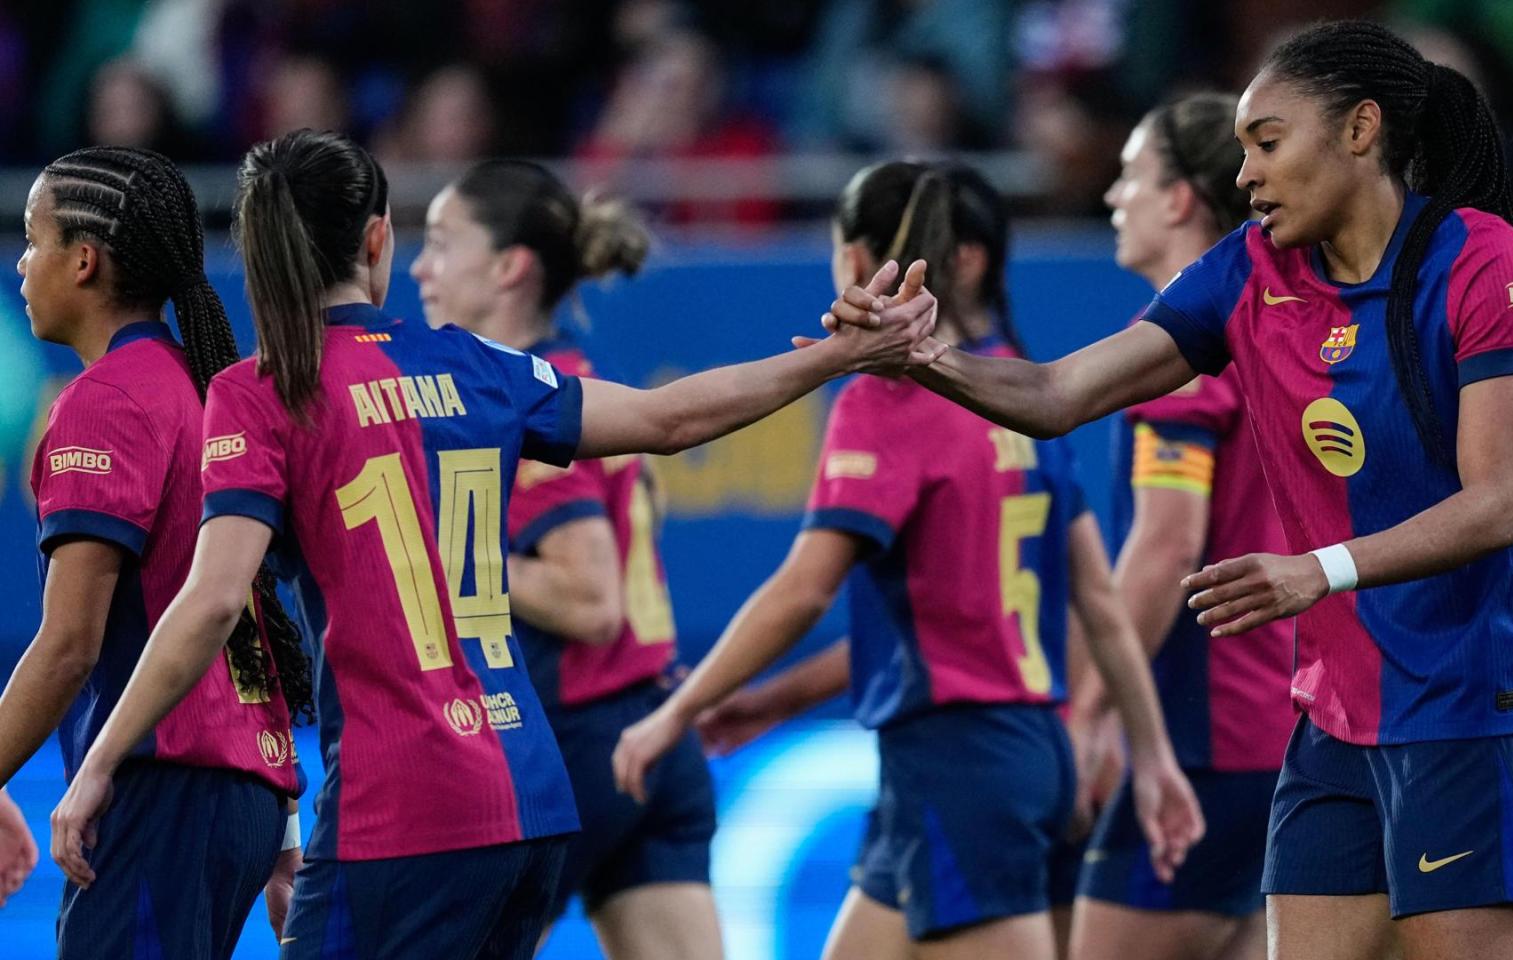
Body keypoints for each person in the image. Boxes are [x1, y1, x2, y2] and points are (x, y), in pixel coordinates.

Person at [48, 129, 935, 960]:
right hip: (533, 802)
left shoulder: (264, 391)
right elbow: (671, 418)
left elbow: (211, 602)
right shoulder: (473, 364)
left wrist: (99, 762)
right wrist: (833, 357)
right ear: (377, 240)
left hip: (397, 812)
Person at [836, 20, 1513, 960]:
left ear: (1360, 130)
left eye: (1267, 142)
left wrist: (1314, 572)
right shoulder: (1249, 271)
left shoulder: (1483, 260)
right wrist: (924, 356)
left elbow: (1497, 504)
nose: (1243, 175)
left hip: (1477, 714)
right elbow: (1055, 393)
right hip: (1332, 727)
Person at [613, 160, 1202, 960]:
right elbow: (1090, 598)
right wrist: (1149, 752)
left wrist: (673, 714)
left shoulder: (884, 398)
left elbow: (802, 591)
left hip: (958, 764)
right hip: (1020, 754)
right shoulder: (1014, 392)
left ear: (854, 262)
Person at [408, 158, 723, 960]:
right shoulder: (578, 388)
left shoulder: (524, 412)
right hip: (652, 734)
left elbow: (589, 600)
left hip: (575, 742)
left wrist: (427, 549)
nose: (419, 266)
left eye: (443, 243)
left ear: (511, 267)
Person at [5, 146, 313, 955]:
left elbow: (68, 646)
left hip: (161, 789)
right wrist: (283, 829)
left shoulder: (103, 404)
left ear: (83, 260)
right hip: (242, 792)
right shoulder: (201, 386)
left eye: (33, 240)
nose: (21, 263)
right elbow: (249, 610)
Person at [1071, 94, 1296, 960]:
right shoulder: (1269, 324)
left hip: (1202, 733)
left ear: (1176, 200)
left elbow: (1166, 544)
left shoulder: (1178, 353)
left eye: (1130, 176)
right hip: (1274, 725)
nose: (1111, 197)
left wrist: (1089, 710)